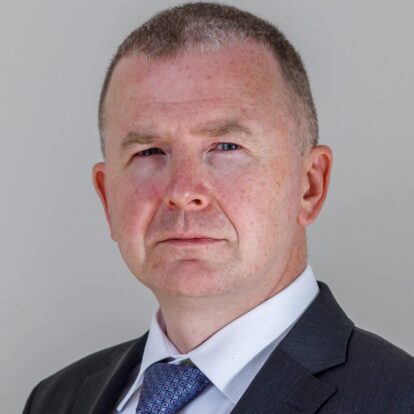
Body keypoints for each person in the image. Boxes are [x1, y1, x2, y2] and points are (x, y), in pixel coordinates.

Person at [23, 2, 413, 413]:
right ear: (108, 199)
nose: (182, 190)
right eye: (149, 151)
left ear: (310, 186)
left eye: (226, 147)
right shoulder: (55, 400)